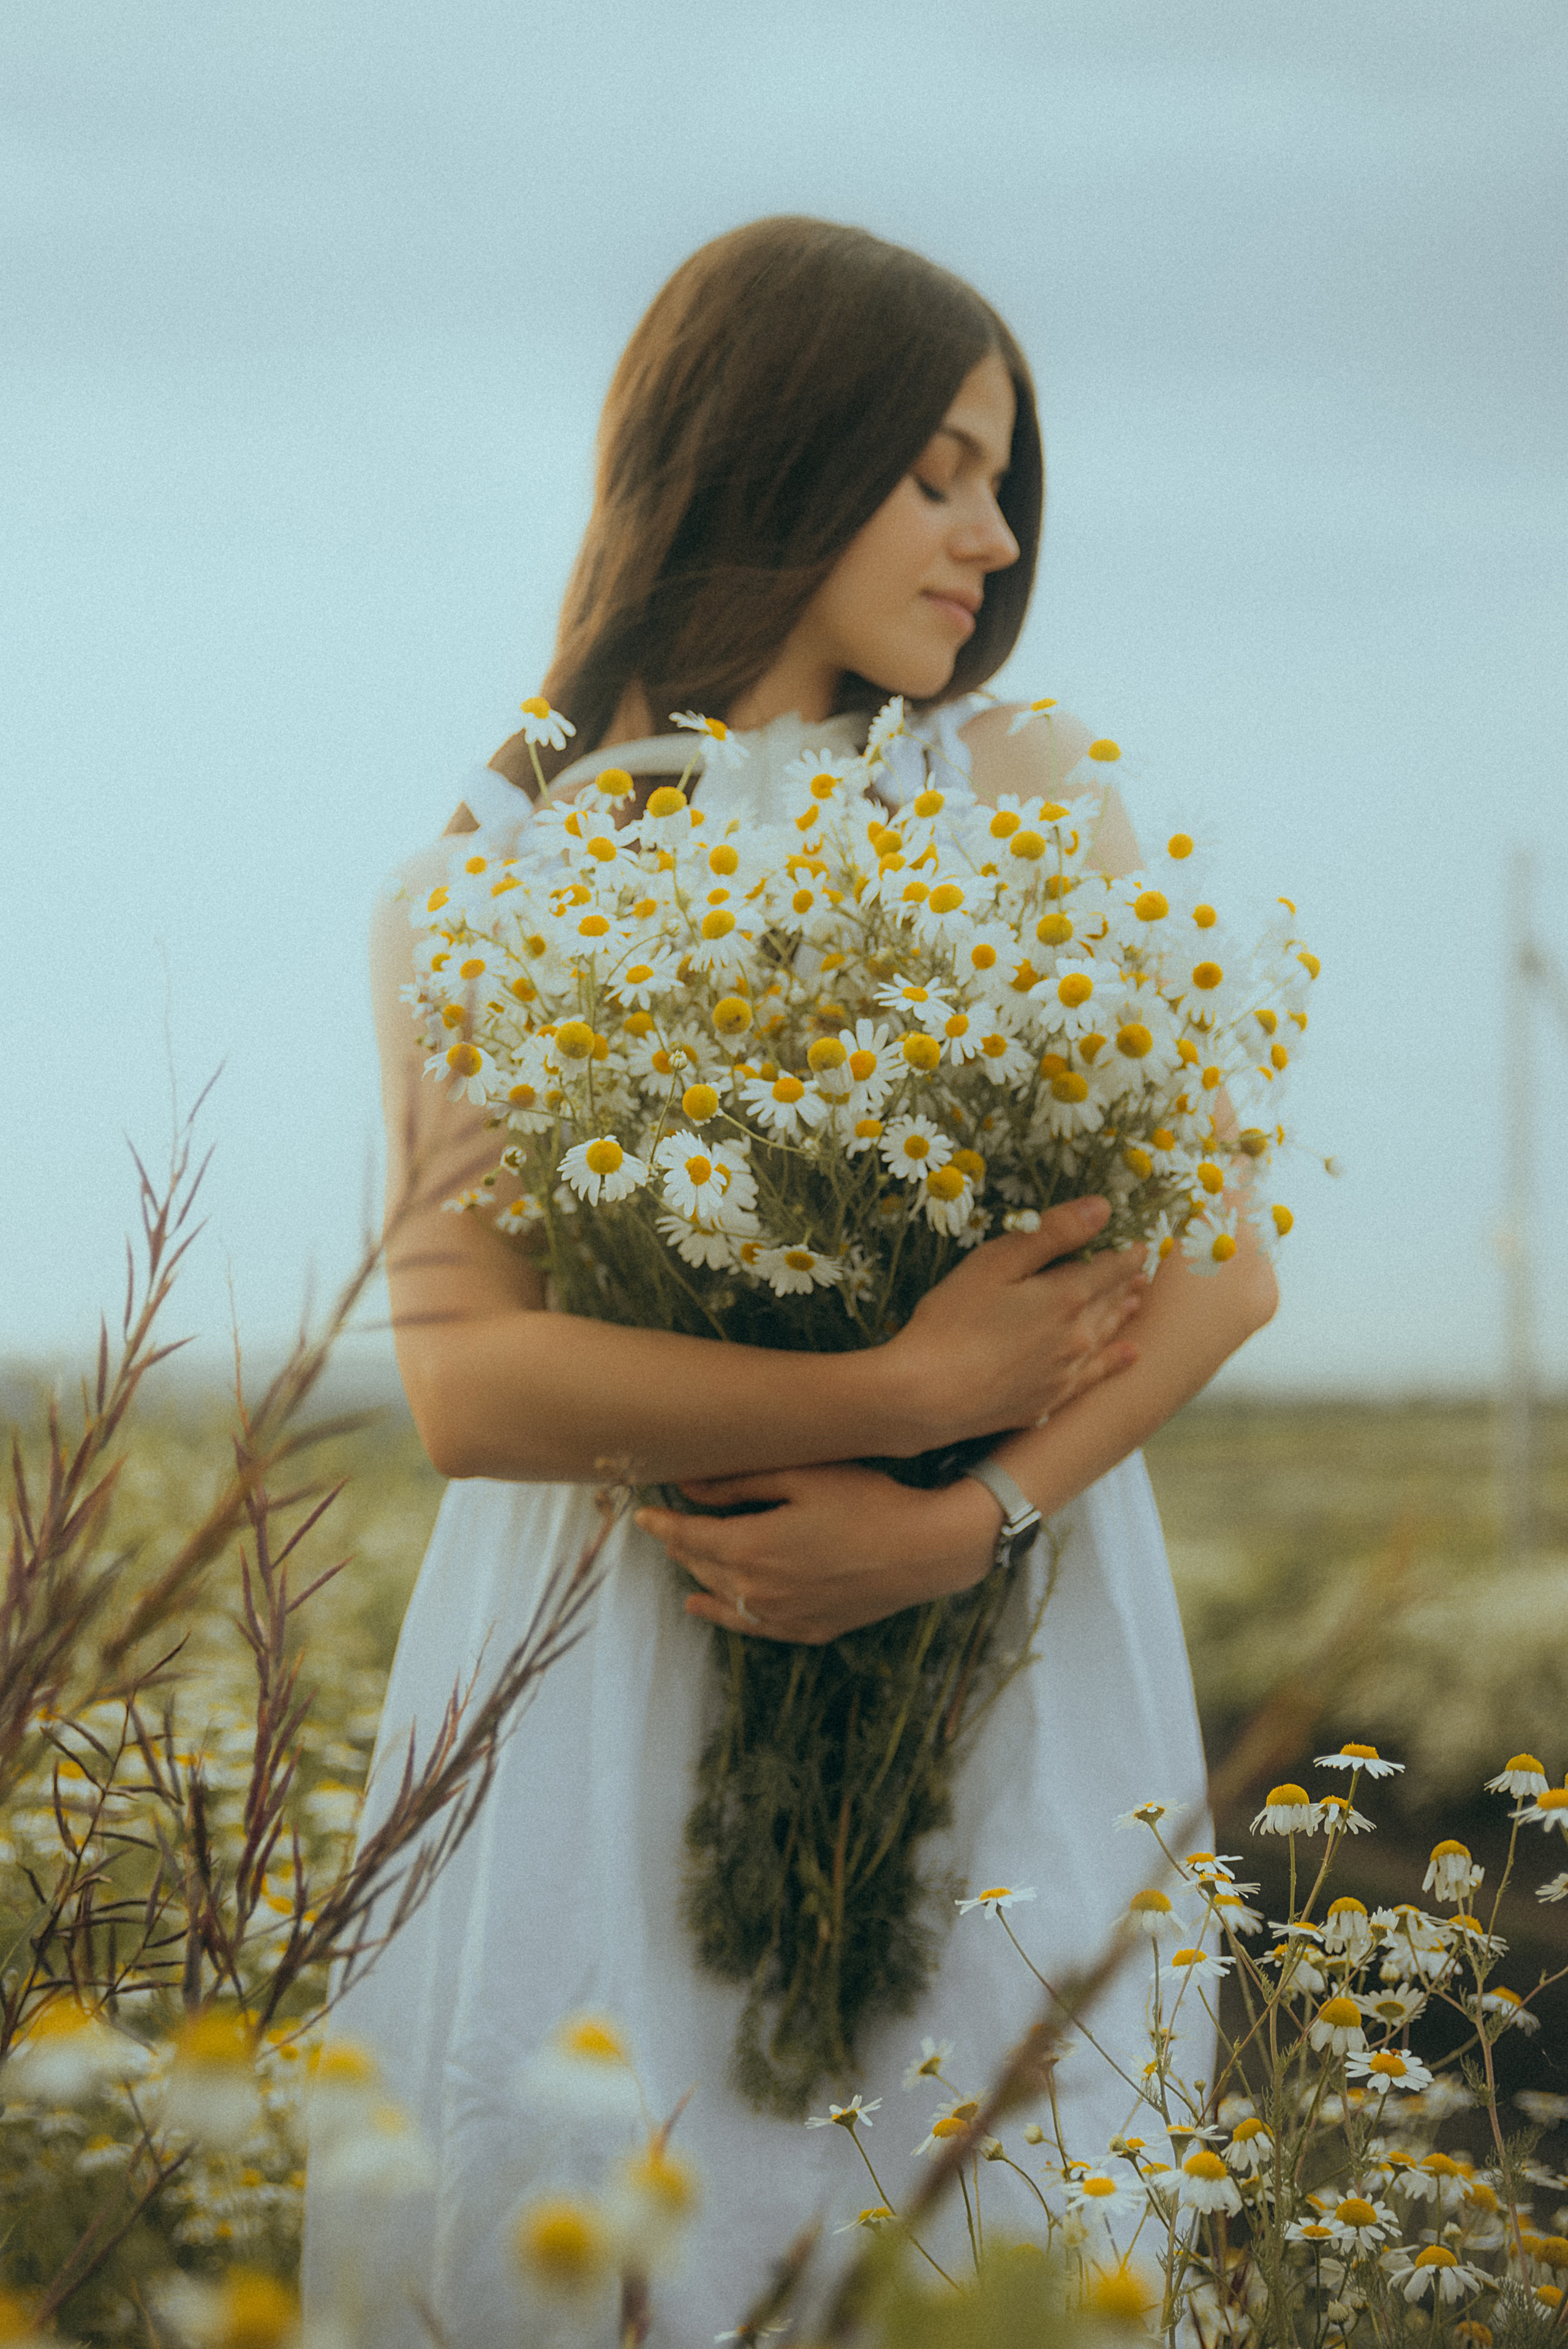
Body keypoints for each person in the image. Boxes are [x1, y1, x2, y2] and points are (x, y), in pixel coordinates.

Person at [304, 218, 1277, 2343]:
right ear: (771, 448)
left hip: (1003, 1666)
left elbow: (1225, 1273)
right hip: (624, 1682)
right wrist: (892, 1388)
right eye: (937, 470)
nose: (994, 535)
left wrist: (948, 1517)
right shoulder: (497, 873)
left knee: (998, 2217)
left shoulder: (1033, 800)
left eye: (1000, 480)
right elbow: (469, 1379)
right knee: (613, 2212)